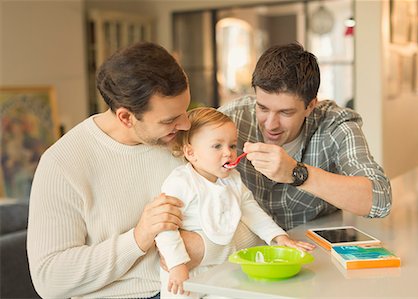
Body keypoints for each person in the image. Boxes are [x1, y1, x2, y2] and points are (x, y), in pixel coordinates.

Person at [26, 42, 259, 299]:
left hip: (195, 287)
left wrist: (203, 248)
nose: (184, 125)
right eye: (170, 120)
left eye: (185, 111)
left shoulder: (188, 145)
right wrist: (138, 238)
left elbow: (250, 229)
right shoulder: (62, 164)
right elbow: (49, 279)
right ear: (126, 117)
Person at [219, 42, 392, 230]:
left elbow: (380, 200)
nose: (270, 124)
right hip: (245, 248)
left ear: (310, 105)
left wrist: (297, 173)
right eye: (262, 108)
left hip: (311, 247)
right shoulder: (231, 118)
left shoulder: (335, 125)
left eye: (285, 112)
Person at [155, 107, 315, 298]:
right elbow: (164, 228)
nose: (228, 153)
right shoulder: (180, 182)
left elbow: (252, 211)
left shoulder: (233, 179)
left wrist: (279, 237)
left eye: (232, 146)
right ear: (191, 153)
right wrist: (177, 264)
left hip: (220, 268)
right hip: (183, 273)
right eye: (217, 146)